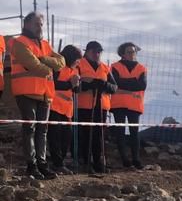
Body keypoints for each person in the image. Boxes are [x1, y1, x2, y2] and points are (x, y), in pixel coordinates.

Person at [10, 12, 64, 179]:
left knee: (42, 131)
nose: (40, 27)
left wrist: (43, 59)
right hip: (26, 92)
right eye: (36, 24)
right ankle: (31, 165)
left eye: (41, 24)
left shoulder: (45, 44)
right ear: (26, 24)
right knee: (30, 130)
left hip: (45, 94)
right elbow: (33, 65)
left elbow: (61, 62)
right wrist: (50, 68)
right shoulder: (19, 43)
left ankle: (42, 164)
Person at [77, 41, 117, 175]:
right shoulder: (79, 64)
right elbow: (75, 83)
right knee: (85, 134)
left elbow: (114, 87)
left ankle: (98, 162)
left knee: (99, 136)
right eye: (94, 51)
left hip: (101, 106)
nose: (97, 54)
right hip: (84, 106)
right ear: (87, 51)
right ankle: (85, 162)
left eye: (99, 51)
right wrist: (89, 85)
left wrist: (104, 85)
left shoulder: (105, 68)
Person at [110, 42, 147, 169]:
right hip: (118, 104)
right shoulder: (114, 66)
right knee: (120, 132)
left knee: (134, 133)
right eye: (129, 52)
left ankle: (136, 159)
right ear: (122, 54)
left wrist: (123, 84)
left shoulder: (142, 68)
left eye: (134, 51)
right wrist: (133, 83)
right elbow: (115, 82)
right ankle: (125, 159)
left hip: (135, 105)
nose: (132, 54)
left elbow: (142, 85)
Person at [47, 44, 82, 173]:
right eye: (77, 59)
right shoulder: (58, 67)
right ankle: (57, 163)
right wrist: (69, 83)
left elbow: (76, 90)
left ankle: (60, 162)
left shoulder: (75, 71)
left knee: (66, 137)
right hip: (54, 106)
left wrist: (76, 84)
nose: (78, 62)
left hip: (67, 109)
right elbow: (52, 83)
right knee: (54, 136)